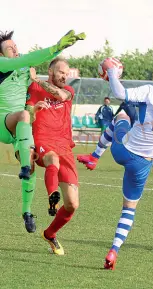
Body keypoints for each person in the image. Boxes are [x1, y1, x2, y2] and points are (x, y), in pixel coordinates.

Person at [84, 60, 153, 270]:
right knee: (129, 209)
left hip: (123, 150)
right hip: (143, 163)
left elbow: (120, 93)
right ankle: (114, 250)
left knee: (121, 115)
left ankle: (95, 156)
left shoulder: (151, 91)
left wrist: (112, 73)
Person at [0, 30, 85, 233]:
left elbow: (43, 94)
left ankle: (31, 216)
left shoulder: (27, 74)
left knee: (30, 164)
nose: (15, 50)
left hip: (31, 130)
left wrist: (33, 98)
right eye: (10, 48)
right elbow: (32, 58)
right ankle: (45, 192)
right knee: (25, 119)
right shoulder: (4, 64)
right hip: (6, 123)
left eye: (16, 46)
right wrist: (57, 46)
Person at [26, 58, 79, 255]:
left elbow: (61, 95)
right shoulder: (33, 87)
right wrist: (34, 109)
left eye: (66, 73)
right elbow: (27, 114)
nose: (64, 76)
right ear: (50, 71)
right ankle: (51, 197)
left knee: (72, 204)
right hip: (43, 141)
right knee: (52, 159)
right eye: (60, 72)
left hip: (65, 146)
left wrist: (38, 80)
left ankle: (49, 234)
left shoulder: (68, 90)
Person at [77, 101, 137, 170]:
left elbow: (120, 93)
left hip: (121, 149)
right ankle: (94, 157)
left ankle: (94, 157)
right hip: (143, 156)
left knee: (121, 116)